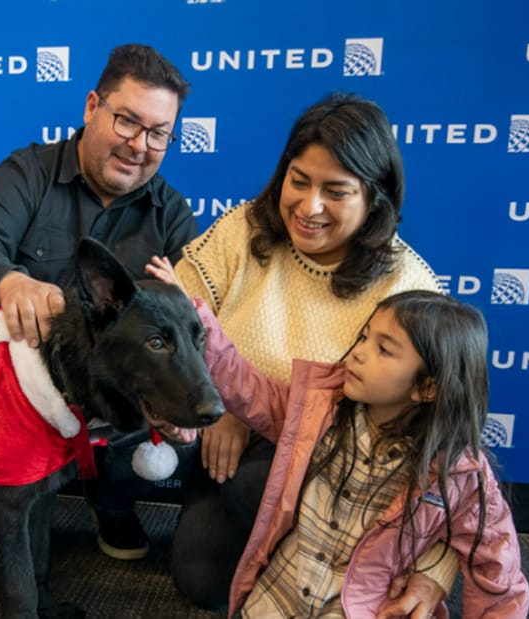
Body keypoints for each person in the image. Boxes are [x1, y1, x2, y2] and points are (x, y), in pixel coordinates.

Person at [164, 93, 452, 612]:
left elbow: (453, 450)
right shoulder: (242, 229)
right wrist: (219, 404)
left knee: (257, 485)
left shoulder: (409, 285)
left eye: (335, 191)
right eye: (299, 181)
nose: (309, 206)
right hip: (227, 449)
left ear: (375, 199)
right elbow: (176, 317)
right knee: (201, 575)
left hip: (344, 476)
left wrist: (436, 570)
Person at [0, 43, 198, 582]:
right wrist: (8, 280)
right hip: (13, 404)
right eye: (127, 121)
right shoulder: (26, 173)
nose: (139, 145)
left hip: (111, 407)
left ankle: (114, 502)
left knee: (195, 409)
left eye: (158, 133)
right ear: (92, 107)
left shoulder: (171, 212)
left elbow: (195, 324)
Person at [152, 269, 529, 617]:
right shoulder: (319, 410)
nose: (359, 352)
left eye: (384, 349)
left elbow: (498, 575)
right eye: (365, 337)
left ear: (427, 387)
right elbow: (246, 387)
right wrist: (194, 318)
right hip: (274, 601)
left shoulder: (461, 474)